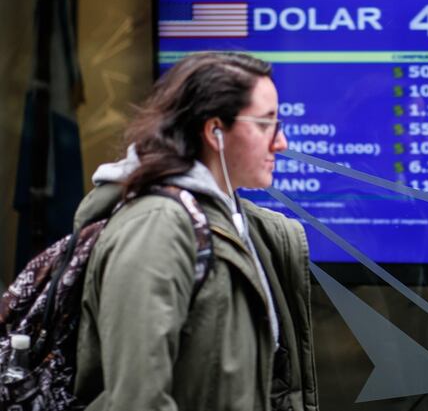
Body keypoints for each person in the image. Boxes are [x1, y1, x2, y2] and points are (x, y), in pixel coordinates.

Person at [71, 52, 318, 411]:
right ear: (214, 131)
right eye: (266, 124)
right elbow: (138, 401)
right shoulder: (155, 227)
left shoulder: (241, 225)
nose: (281, 143)